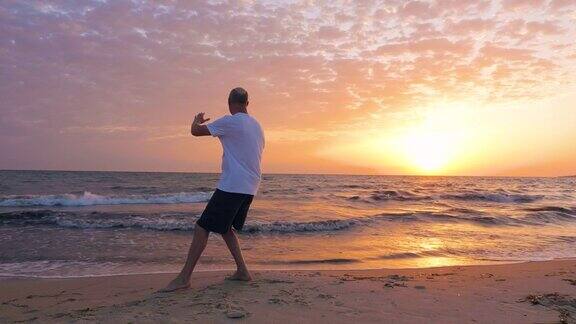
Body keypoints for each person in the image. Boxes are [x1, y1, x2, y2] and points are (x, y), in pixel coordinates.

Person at [160, 87, 265, 292]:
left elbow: (195, 131)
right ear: (247, 103)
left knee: (202, 227)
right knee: (225, 228)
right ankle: (242, 271)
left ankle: (184, 278)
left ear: (229, 103)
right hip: (250, 186)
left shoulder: (230, 121)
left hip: (233, 184)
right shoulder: (257, 125)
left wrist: (196, 120)